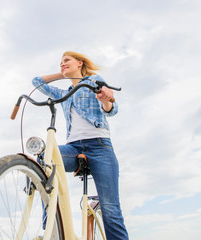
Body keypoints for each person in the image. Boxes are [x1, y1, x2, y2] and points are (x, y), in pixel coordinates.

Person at [32, 51, 129, 240]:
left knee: (111, 209)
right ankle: (53, 230)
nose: (62, 64)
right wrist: (64, 74)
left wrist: (106, 100)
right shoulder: (65, 92)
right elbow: (37, 82)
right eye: (60, 62)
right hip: (73, 149)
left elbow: (112, 110)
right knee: (45, 156)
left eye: (66, 61)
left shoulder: (93, 81)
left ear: (80, 62)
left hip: (100, 147)